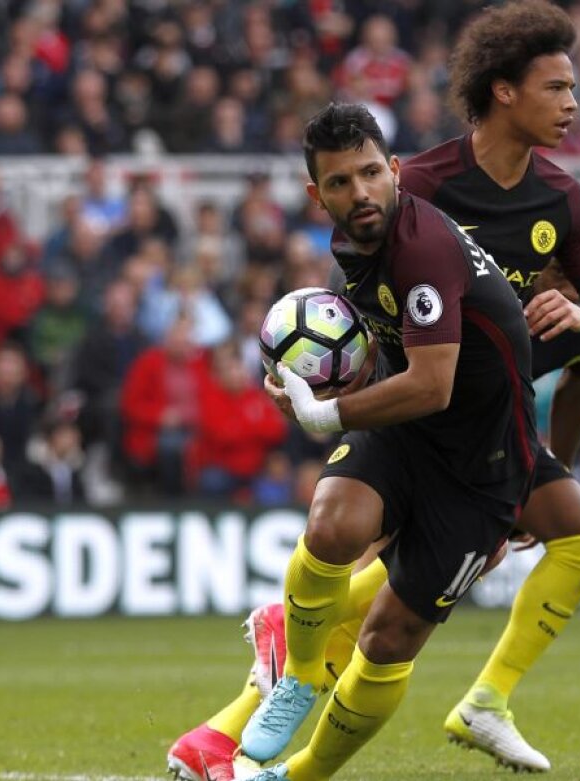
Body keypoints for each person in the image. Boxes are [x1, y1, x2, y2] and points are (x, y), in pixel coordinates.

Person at [169, 2, 580, 776]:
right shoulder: (411, 187)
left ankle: (281, 723)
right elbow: (363, 312)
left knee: (547, 551)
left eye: (572, 87)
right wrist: (327, 373)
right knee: (346, 550)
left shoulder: (563, 200)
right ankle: (259, 714)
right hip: (411, 412)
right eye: (556, 87)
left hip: (493, 434)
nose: (572, 103)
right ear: (504, 91)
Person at [218, 103, 537, 781]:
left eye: (370, 174)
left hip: (481, 462)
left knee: (388, 638)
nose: (359, 192)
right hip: (407, 431)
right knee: (332, 524)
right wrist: (311, 382)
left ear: (393, 170)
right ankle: (299, 676)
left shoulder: (423, 249)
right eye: (340, 182)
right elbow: (383, 353)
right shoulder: (350, 247)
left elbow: (433, 385)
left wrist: (326, 415)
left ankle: (298, 776)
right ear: (318, 195)